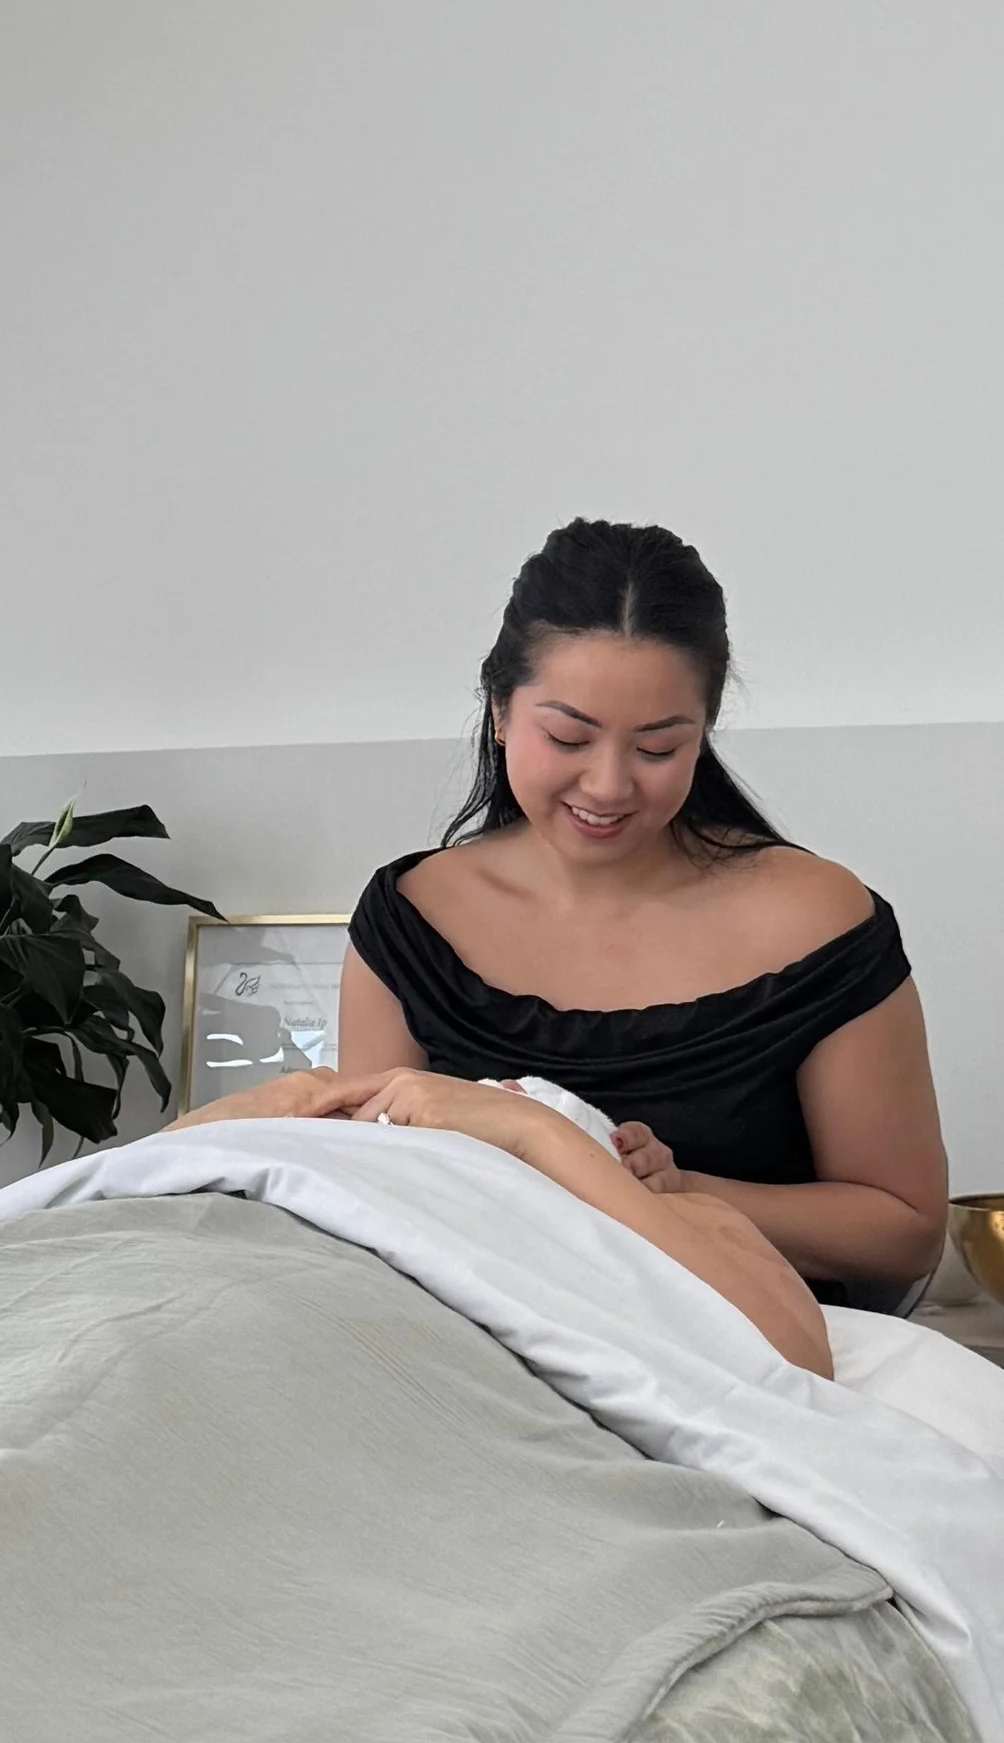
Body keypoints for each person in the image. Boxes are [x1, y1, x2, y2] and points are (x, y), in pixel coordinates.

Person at [337, 518, 947, 1303]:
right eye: (568, 737)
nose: (609, 786)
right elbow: (367, 1193)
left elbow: (904, 1231)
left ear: (704, 732)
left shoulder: (815, 919)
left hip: (756, 1351)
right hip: (481, 1349)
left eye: (658, 748)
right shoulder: (412, 921)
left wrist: (677, 1192)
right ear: (498, 710)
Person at [171, 1062, 833, 1374]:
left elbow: (795, 1360)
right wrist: (289, 1099)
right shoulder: (319, 1136)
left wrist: (535, 1134)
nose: (497, 1085)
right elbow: (130, 1175)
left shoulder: (675, 1216)